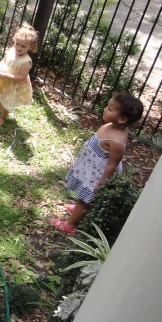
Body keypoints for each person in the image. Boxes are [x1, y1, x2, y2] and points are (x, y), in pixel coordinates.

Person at [52, 92, 144, 234]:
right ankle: (80, 209)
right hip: (90, 168)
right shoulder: (112, 126)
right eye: (107, 106)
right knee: (84, 195)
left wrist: (102, 183)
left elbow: (112, 164)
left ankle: (70, 225)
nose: (105, 109)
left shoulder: (117, 142)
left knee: (86, 197)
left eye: (110, 109)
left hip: (97, 175)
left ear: (122, 119)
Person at [0, 24, 38, 127]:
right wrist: (0, 68)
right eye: (17, 44)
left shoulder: (26, 61)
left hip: (12, 83)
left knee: (7, 100)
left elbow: (22, 77)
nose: (19, 48)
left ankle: (2, 118)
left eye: (23, 46)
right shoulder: (11, 51)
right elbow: (4, 61)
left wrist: (7, 76)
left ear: (30, 47)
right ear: (14, 41)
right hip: (3, 79)